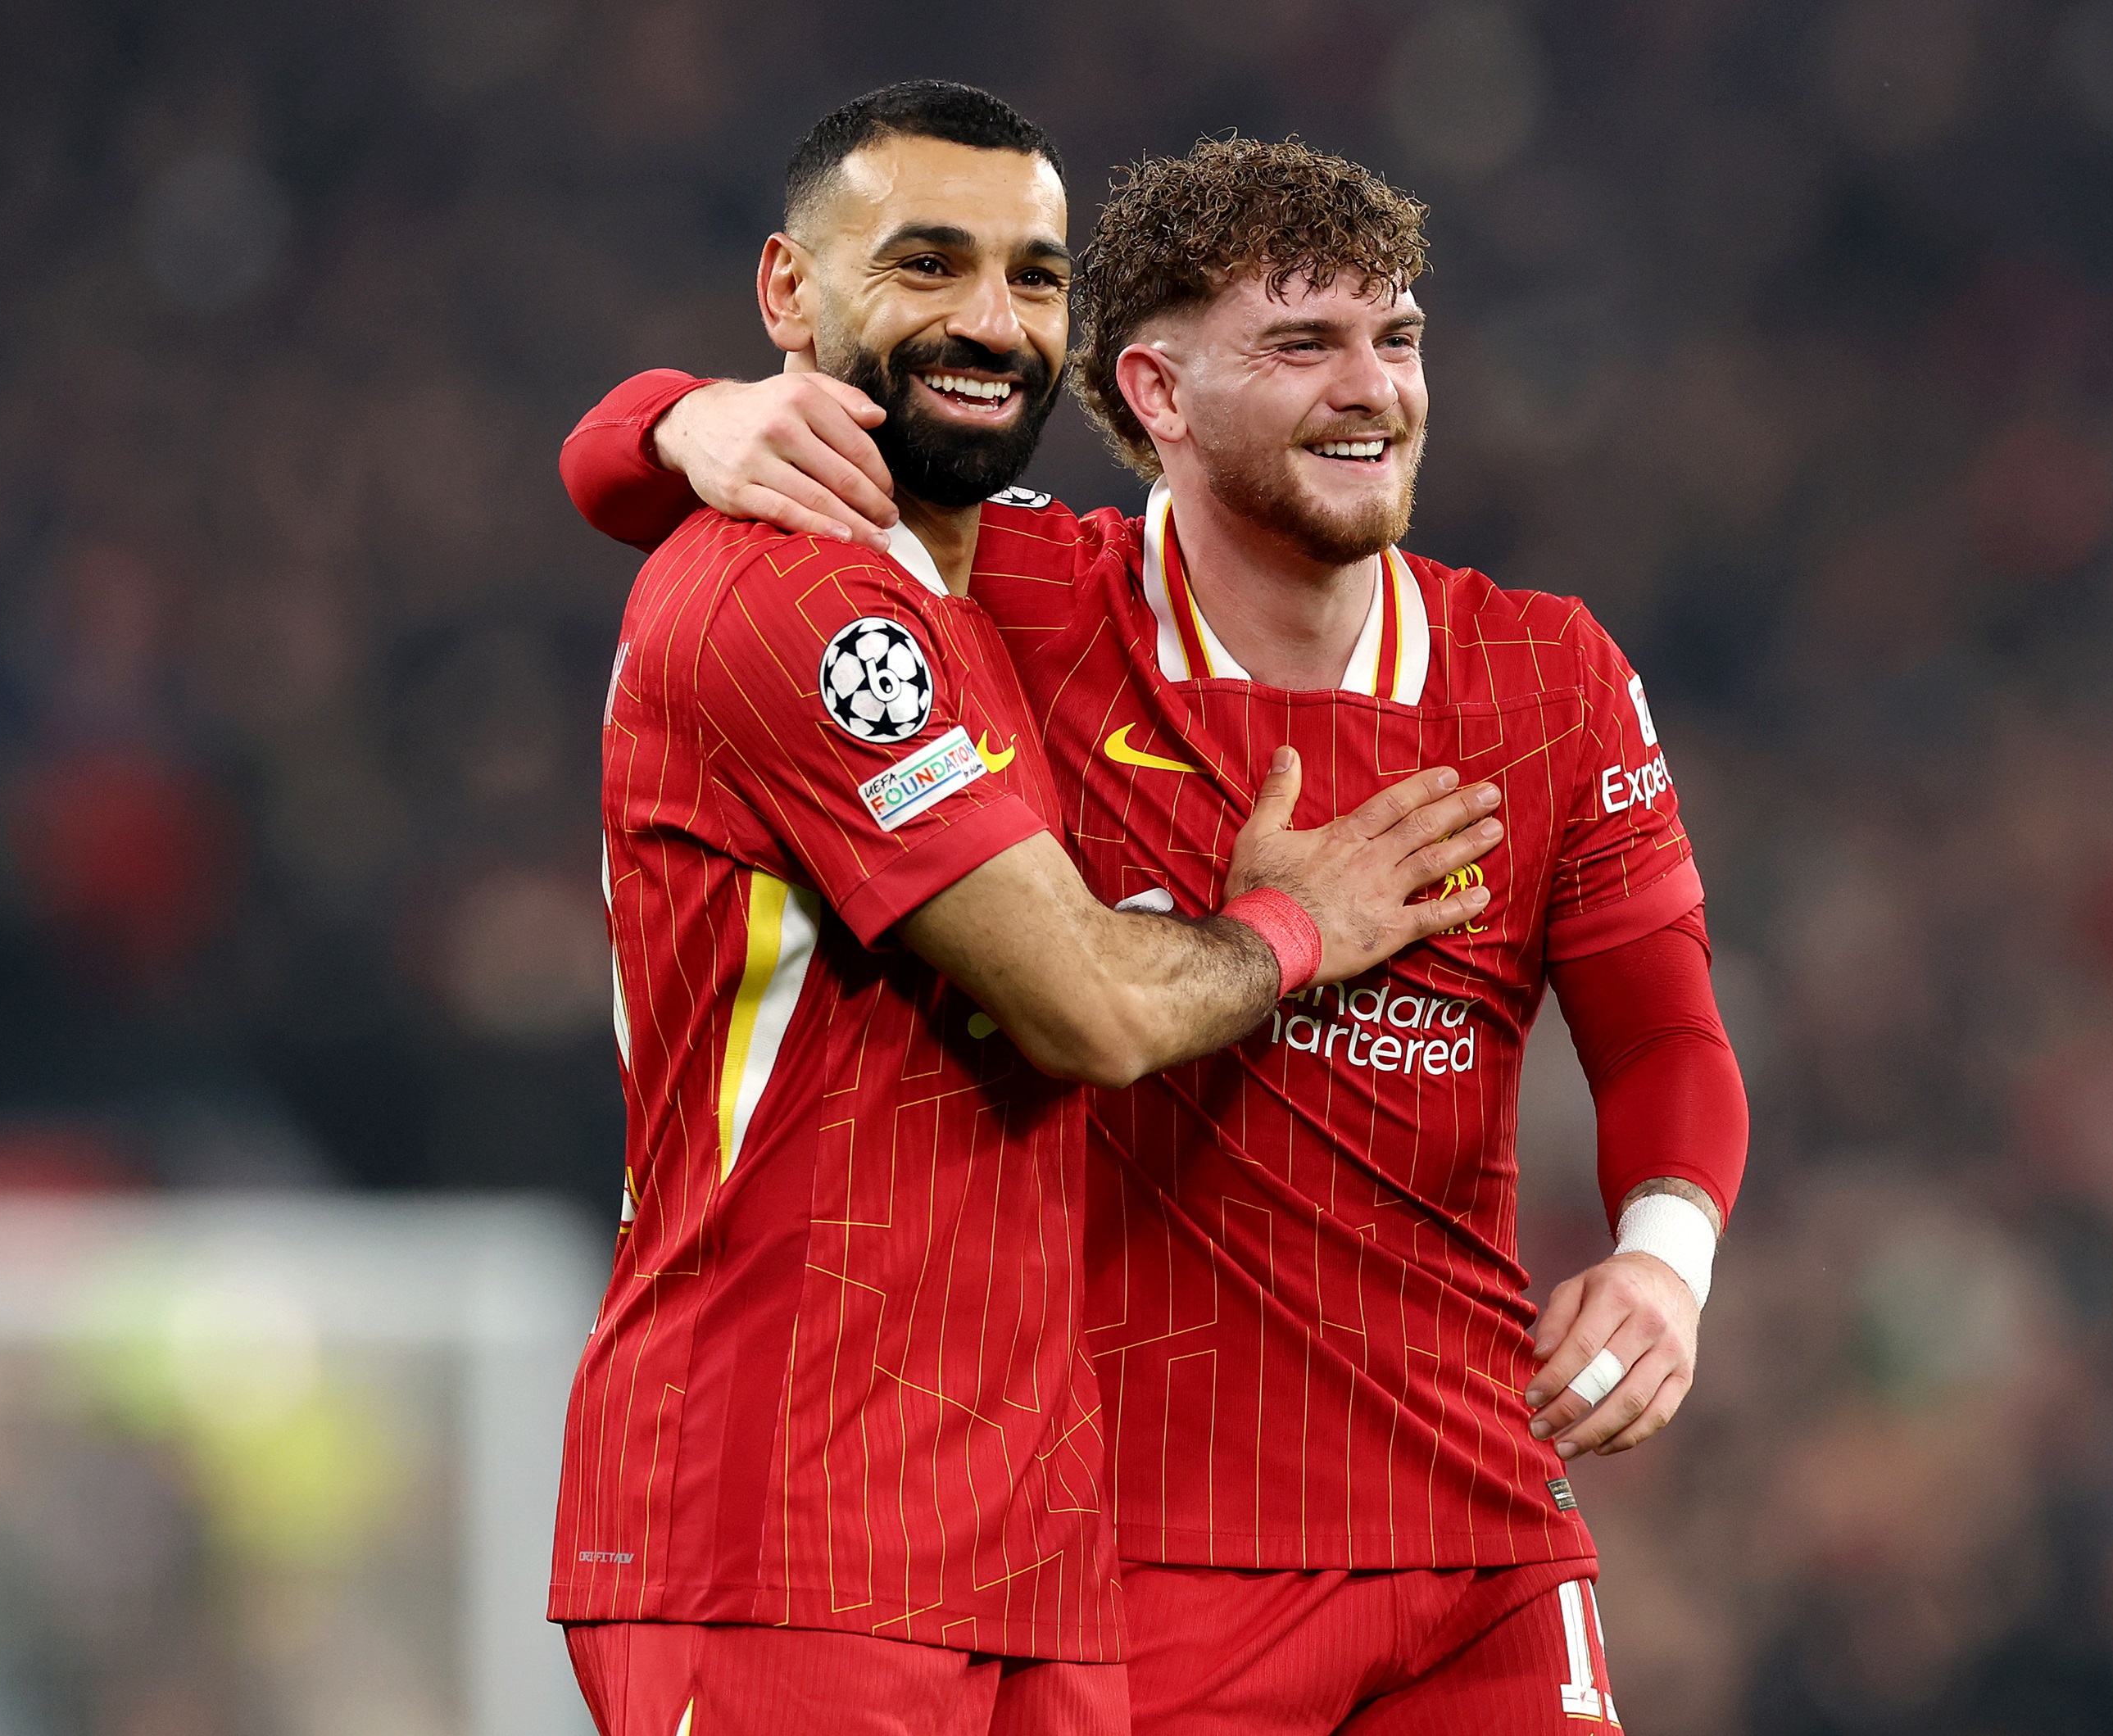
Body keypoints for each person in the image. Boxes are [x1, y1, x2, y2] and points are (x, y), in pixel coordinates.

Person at [564, 120, 1751, 1733]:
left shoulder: (1541, 677)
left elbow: (1664, 1026)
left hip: (1476, 1528)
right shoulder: (1025, 602)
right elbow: (720, 531)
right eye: (1303, 344)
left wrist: (1662, 1259)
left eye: (1394, 339)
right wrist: (678, 420)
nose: (1371, 389)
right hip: (1132, 1553)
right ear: (1155, 397)